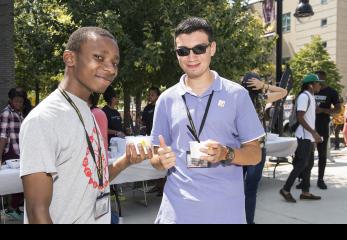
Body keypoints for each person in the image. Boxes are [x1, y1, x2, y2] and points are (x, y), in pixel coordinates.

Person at [19, 27, 151, 224]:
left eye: (115, 63)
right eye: (99, 57)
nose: (111, 69)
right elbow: (37, 210)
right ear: (70, 58)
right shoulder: (44, 119)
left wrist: (126, 161)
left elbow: (95, 178)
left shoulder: (86, 111)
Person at [150, 17, 265, 224]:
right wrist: (160, 160)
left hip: (225, 213)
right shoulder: (166, 99)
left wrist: (226, 153)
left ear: (212, 48)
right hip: (176, 213)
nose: (191, 57)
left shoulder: (237, 95)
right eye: (183, 51)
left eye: (199, 49)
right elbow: (155, 158)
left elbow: (255, 154)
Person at [241, 75, 287, 224]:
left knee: (234, 188)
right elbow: (283, 91)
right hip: (257, 147)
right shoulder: (261, 99)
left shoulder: (236, 100)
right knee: (251, 189)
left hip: (238, 148)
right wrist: (264, 85)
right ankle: (248, 221)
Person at [280, 74, 323, 203]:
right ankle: (286, 189)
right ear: (311, 85)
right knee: (301, 164)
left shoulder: (310, 96)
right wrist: (314, 133)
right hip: (303, 136)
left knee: (308, 165)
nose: (319, 85)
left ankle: (305, 192)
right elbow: (300, 117)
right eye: (318, 83)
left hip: (308, 138)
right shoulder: (304, 96)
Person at [312, 71, 341, 190]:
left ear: (323, 79)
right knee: (306, 154)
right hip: (308, 126)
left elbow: (338, 110)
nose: (316, 83)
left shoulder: (332, 92)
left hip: (322, 126)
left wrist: (323, 110)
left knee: (322, 154)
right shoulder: (310, 90)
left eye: (318, 80)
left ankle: (320, 179)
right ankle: (303, 179)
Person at [0, 88, 26, 220]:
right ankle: (10, 209)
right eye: (16, 101)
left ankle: (15, 208)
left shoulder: (19, 114)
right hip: (10, 152)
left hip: (19, 152)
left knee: (20, 181)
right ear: (10, 100)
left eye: (21, 101)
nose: (19, 103)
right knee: (15, 181)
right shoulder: (6, 113)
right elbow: (3, 136)